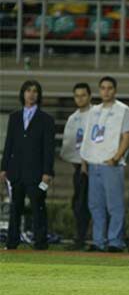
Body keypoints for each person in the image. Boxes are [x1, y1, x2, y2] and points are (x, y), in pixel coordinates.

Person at [80, 76, 129, 252]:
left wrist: (116, 158)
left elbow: (127, 136)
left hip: (111, 165)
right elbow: (88, 138)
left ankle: (115, 242)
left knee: (115, 206)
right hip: (94, 163)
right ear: (99, 90)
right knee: (95, 206)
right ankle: (98, 241)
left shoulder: (123, 110)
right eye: (103, 88)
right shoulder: (93, 111)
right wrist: (85, 161)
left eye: (109, 88)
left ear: (115, 90)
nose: (106, 91)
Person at [0, 80, 55, 250]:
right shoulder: (14, 117)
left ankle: (40, 242)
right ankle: (12, 241)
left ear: (39, 95)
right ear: (22, 94)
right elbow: (8, 143)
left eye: (35, 91)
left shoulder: (46, 119)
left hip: (37, 172)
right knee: (15, 207)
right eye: (28, 91)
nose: (31, 94)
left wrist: (47, 172)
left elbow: (49, 148)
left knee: (38, 206)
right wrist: (3, 168)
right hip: (16, 171)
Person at [60, 82, 93, 250]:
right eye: (77, 96)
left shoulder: (96, 114)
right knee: (78, 204)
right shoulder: (73, 118)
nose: (80, 98)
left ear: (90, 96)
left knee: (87, 204)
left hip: (95, 166)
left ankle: (88, 239)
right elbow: (70, 144)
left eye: (83, 95)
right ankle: (80, 237)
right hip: (79, 169)